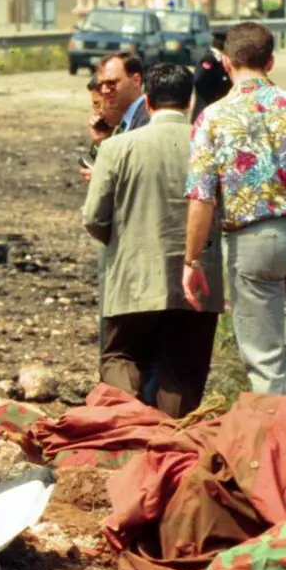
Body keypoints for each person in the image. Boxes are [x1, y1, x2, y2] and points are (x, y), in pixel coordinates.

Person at [183, 21, 286, 396]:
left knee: (265, 356)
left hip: (254, 240)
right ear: (270, 62)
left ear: (226, 63)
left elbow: (202, 197)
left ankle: (282, 436)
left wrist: (191, 260)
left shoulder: (213, 119)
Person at [81, 63, 222, 418]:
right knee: (181, 371)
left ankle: (123, 436)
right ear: (190, 101)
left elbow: (94, 217)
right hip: (199, 280)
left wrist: (124, 244)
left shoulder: (118, 148)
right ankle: (170, 449)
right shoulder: (213, 146)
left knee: (122, 356)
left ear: (146, 102)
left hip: (134, 276)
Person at [96, 53, 148, 135]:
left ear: (136, 80)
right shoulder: (125, 118)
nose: (104, 90)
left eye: (111, 83)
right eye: (100, 85)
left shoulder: (146, 120)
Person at [191, 44, 233, 122]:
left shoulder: (220, 60)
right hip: (205, 110)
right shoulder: (209, 59)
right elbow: (199, 80)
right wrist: (213, 96)